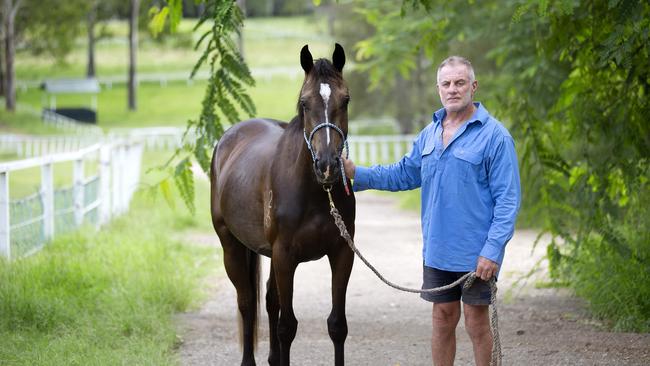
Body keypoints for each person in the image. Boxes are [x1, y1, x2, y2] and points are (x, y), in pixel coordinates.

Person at [343, 56, 521, 366]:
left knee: (477, 323)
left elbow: (507, 200)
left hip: (477, 253)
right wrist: (356, 172)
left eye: (460, 83)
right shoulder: (429, 133)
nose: (453, 89)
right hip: (437, 251)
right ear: (439, 89)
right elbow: (403, 174)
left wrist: (492, 251)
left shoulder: (495, 137)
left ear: (473, 86)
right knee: (442, 319)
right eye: (447, 84)